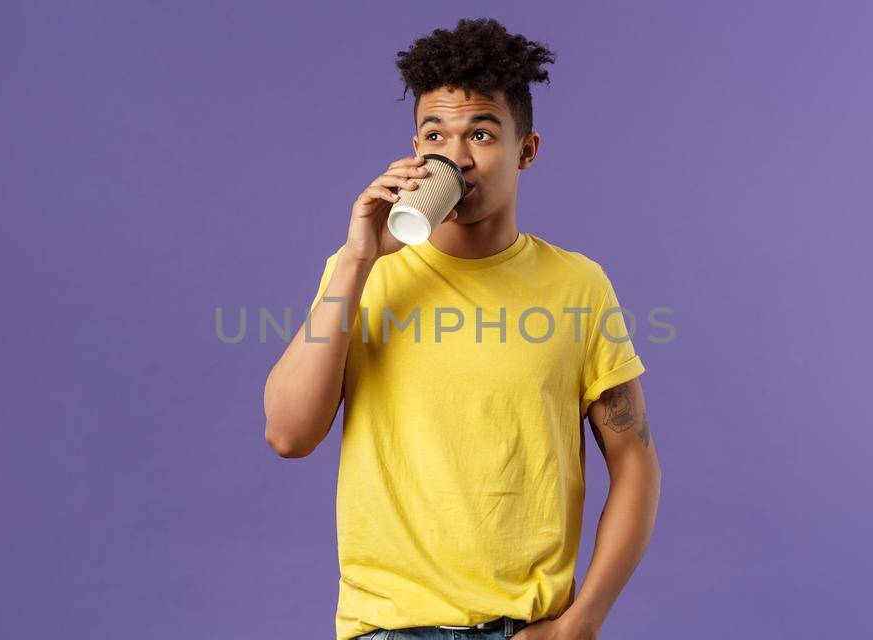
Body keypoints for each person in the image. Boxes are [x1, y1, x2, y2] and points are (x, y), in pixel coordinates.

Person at [263, 18, 662, 640]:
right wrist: (356, 258)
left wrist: (582, 623)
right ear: (415, 148)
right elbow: (288, 434)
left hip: (528, 627)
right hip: (388, 628)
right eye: (435, 134)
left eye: (480, 132)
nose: (457, 156)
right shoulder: (360, 275)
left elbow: (634, 458)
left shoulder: (579, 285)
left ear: (527, 149)